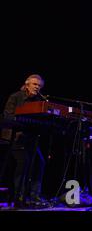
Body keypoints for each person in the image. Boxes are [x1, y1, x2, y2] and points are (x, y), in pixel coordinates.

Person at [2, 74, 48, 208]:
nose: (37, 87)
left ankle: (35, 197)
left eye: (39, 86)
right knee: (25, 162)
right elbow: (8, 116)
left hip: (30, 138)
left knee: (39, 162)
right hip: (14, 137)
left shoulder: (40, 100)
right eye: (34, 84)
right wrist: (23, 121)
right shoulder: (16, 97)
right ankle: (19, 197)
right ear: (27, 85)